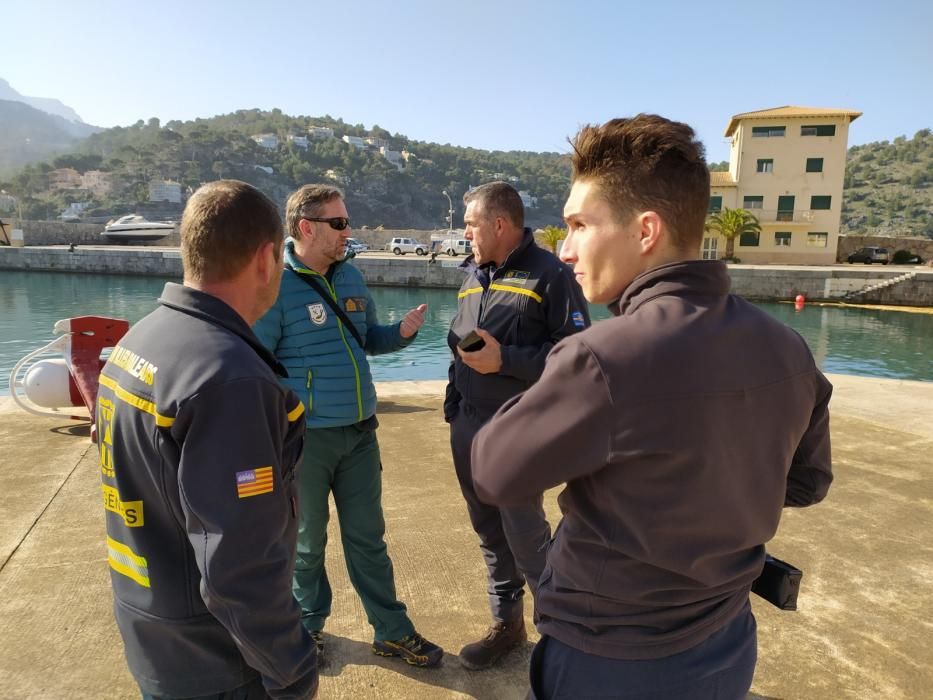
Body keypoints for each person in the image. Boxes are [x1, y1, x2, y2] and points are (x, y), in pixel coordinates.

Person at [470, 115, 834, 699]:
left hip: (610, 659)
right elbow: (808, 482)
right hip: (728, 642)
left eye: (579, 225)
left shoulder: (601, 357)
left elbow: (494, 469)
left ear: (645, 230)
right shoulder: (789, 348)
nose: (564, 250)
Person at [96, 180, 318, 700]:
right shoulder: (231, 380)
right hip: (218, 664)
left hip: (154, 632)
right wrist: (292, 668)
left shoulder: (141, 339)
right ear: (267, 259)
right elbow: (238, 564)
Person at [254, 184, 443, 668]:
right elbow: (257, 362)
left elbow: (367, 340)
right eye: (339, 223)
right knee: (307, 544)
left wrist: (400, 335)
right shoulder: (275, 284)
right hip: (307, 441)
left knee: (368, 540)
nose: (348, 231)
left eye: (347, 222)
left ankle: (392, 631)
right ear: (306, 228)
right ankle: (308, 627)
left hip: (360, 433)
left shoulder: (353, 277)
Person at [444, 181, 591, 670]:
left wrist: (505, 359)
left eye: (470, 224)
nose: (464, 232)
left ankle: (561, 637)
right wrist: (453, 404)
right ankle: (507, 624)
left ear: (499, 224)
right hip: (468, 426)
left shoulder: (551, 276)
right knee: (488, 531)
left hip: (516, 431)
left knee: (526, 536)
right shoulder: (472, 275)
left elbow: (576, 359)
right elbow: (458, 344)